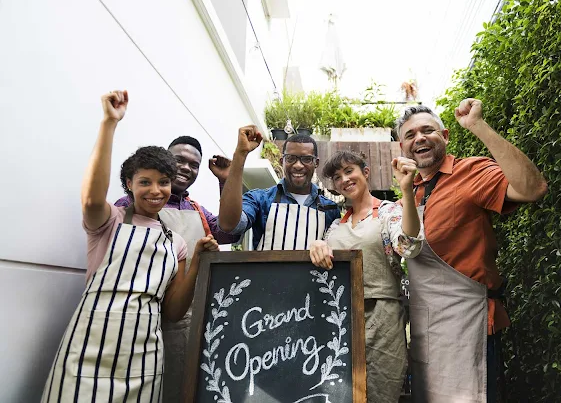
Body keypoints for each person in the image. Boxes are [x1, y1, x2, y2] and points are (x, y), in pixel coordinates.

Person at [41, 91, 218, 402]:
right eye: (144, 182)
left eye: (163, 182)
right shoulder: (108, 221)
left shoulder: (175, 243)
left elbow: (174, 311)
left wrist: (198, 261)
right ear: (129, 185)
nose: (155, 190)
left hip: (145, 355)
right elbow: (91, 199)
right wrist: (109, 123)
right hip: (89, 344)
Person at [396, 99, 548, 403]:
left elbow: (533, 189)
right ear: (402, 148)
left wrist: (478, 126)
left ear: (446, 136)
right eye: (410, 135)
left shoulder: (471, 171)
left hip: (470, 326)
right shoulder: (410, 193)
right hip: (427, 333)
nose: (419, 138)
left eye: (427, 130)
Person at [114, 136, 239, 403]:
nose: (186, 168)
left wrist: (225, 181)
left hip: (181, 323)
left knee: (173, 390)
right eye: (179, 160)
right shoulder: (126, 207)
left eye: (194, 165)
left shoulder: (198, 211)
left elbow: (229, 232)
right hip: (132, 318)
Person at [308, 150, 424, 403]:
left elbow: (408, 246)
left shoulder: (389, 212)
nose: (344, 180)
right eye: (337, 177)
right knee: (338, 392)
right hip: (340, 318)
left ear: (366, 172)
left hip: (382, 317)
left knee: (380, 392)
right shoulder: (335, 226)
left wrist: (407, 192)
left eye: (349, 171)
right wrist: (317, 246)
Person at [218, 125, 341, 249]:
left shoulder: (330, 209)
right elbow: (229, 225)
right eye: (290, 158)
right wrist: (241, 153)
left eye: (307, 159)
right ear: (282, 161)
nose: (298, 165)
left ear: (316, 163)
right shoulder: (260, 199)